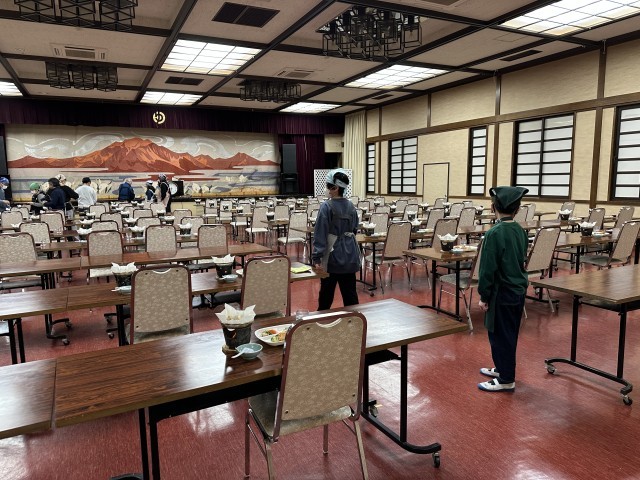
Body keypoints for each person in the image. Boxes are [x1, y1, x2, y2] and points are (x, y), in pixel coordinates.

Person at [477, 186, 530, 393]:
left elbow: (487, 269)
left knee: (500, 335)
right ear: (517, 209)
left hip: (502, 292)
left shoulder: (494, 233)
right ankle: (501, 368)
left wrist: (484, 296)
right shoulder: (520, 230)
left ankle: (507, 379)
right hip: (518, 289)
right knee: (509, 333)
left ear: (493, 207)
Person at [311, 169, 360, 311]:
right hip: (350, 255)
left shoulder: (326, 206)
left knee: (326, 295)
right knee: (350, 296)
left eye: (328, 186)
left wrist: (317, 257)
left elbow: (320, 233)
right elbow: (354, 229)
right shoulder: (351, 206)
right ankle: (354, 321)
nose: (326, 189)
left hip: (331, 257)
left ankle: (322, 320)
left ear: (335, 187)